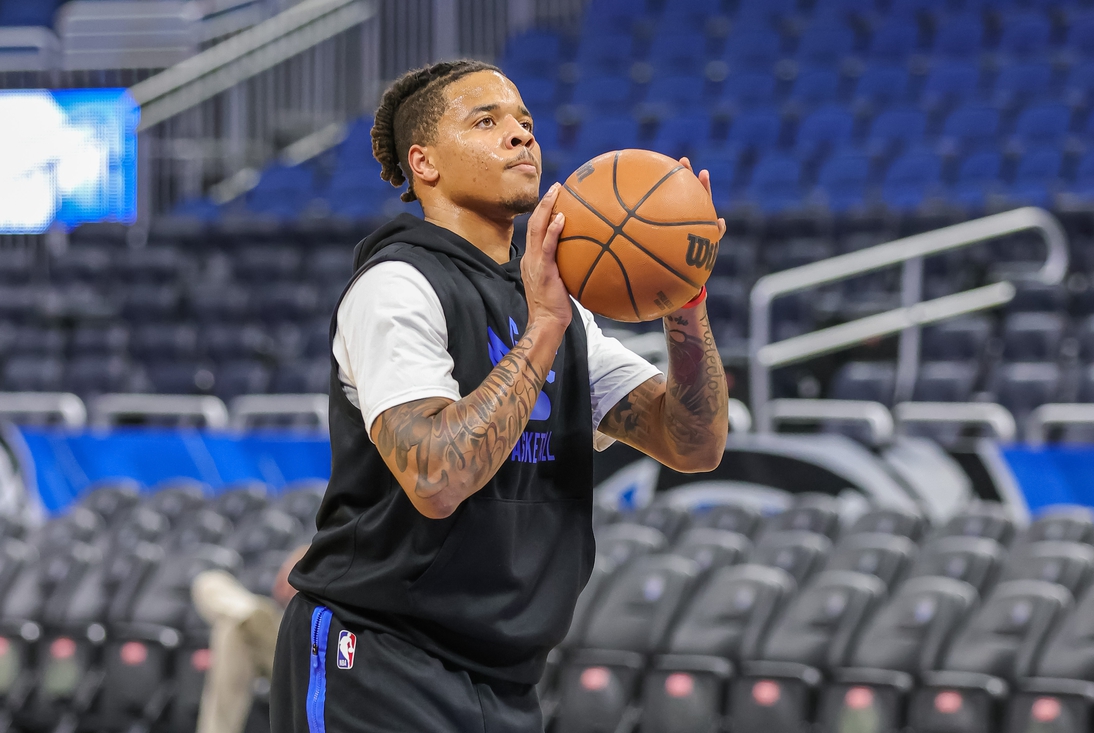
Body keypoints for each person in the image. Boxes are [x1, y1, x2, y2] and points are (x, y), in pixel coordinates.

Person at [271, 59, 729, 733]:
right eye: (486, 122)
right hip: (376, 658)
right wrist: (544, 328)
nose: (520, 136)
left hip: (504, 675)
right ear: (423, 163)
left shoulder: (558, 307)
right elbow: (434, 475)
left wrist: (684, 306)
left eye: (524, 122)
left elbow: (693, 442)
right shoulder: (397, 287)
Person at [191, 545, 307, 733]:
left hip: (305, 649)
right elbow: (283, 589)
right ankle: (248, 613)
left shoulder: (330, 555)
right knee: (211, 587)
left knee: (235, 624)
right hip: (274, 631)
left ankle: (249, 613)